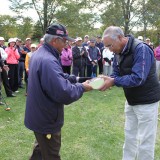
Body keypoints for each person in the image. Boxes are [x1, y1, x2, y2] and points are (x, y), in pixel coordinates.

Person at [24, 23, 93, 160]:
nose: (67, 45)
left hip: (39, 115)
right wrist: (83, 87)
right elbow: (64, 92)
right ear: (55, 40)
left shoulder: (40, 54)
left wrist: (77, 79)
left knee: (40, 151)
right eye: (65, 41)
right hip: (46, 119)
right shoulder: (48, 60)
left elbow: (57, 77)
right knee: (51, 155)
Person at [99, 26, 160, 160]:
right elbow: (115, 73)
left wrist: (113, 81)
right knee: (129, 135)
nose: (109, 49)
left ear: (120, 38)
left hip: (147, 101)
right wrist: (107, 79)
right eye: (107, 46)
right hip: (131, 100)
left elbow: (138, 78)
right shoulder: (118, 52)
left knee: (145, 141)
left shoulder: (141, 49)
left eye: (110, 45)